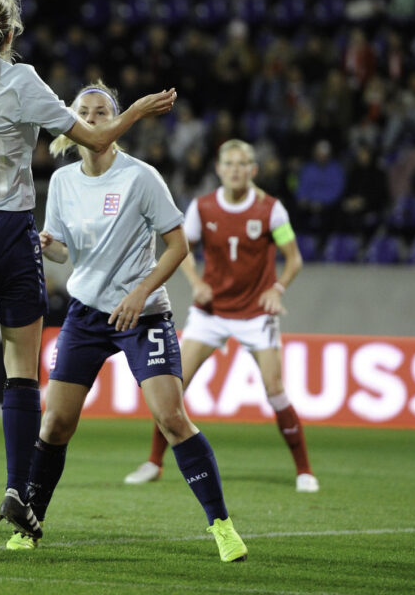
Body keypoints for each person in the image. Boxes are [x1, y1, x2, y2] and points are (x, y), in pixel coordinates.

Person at [0, 0, 177, 540]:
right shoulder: (24, 81)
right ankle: (17, 488)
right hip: (9, 228)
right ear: (11, 33)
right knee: (20, 368)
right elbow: (97, 134)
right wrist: (134, 109)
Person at [7, 83, 247, 562]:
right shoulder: (62, 182)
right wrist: (44, 243)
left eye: (102, 112)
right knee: (54, 424)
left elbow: (177, 246)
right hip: (87, 314)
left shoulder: (141, 178)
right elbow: (65, 252)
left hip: (144, 314)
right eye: (85, 113)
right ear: (70, 124)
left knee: (172, 417)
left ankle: (222, 525)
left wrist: (140, 293)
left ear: (116, 122)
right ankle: (30, 525)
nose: (93, 119)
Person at [124, 139, 319, 494]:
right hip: (210, 313)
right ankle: (154, 462)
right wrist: (196, 282)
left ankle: (304, 470)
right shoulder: (202, 207)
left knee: (275, 390)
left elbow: (295, 259)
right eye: (228, 164)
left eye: (242, 164)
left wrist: (277, 289)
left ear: (253, 170)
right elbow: (182, 250)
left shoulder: (271, 209)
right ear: (219, 169)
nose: (235, 169)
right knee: (172, 387)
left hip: (255, 312)